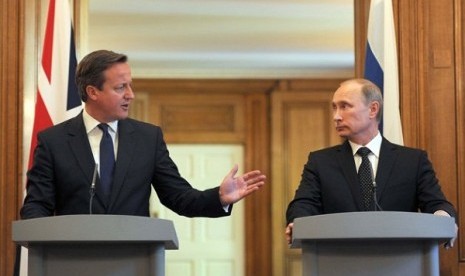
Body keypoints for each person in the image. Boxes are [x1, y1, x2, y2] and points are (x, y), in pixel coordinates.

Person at [20, 49, 266, 219]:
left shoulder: (149, 139)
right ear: (93, 92)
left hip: (134, 259)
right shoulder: (53, 141)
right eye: (120, 87)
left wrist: (220, 197)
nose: (131, 94)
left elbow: (179, 197)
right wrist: (46, 239)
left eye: (130, 85)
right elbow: (37, 205)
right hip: (70, 261)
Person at [285, 78, 457, 247]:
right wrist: (298, 223)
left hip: (400, 261)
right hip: (340, 260)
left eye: (345, 106)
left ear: (373, 109)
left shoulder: (412, 161)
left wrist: (442, 217)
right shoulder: (320, 162)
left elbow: (436, 203)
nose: (336, 116)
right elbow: (303, 204)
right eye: (334, 108)